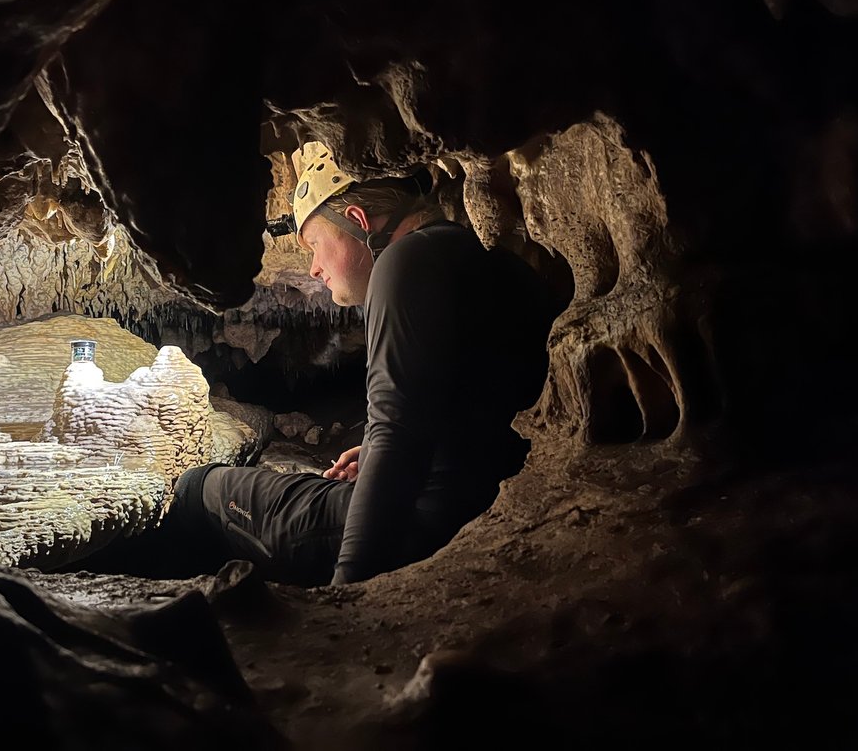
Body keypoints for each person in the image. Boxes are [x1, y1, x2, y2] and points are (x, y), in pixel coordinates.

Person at [147, 140, 559, 587]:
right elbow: (473, 403)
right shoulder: (483, 256)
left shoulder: (406, 261)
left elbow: (395, 433)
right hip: (479, 504)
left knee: (196, 488)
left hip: (418, 526)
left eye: (316, 244)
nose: (313, 269)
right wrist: (388, 453)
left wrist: (351, 592)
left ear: (359, 222)